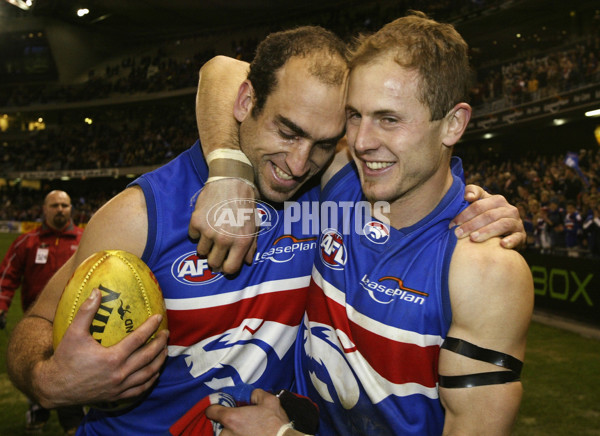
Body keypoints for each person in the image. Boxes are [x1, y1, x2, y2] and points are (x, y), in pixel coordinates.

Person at [7, 24, 523, 436]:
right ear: (245, 101)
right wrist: (47, 380)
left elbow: (413, 177)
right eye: (287, 130)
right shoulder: (144, 213)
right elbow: (222, 68)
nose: (299, 162)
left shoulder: (330, 195)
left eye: (325, 142)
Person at [200, 12, 533, 435]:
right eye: (355, 115)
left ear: (453, 124)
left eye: (389, 119)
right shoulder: (342, 177)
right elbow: (224, 71)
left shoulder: (484, 271)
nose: (361, 141)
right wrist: (227, 170)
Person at [0, 190, 85, 435]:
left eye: (65, 205)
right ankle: (37, 413)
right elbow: (7, 277)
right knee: (35, 370)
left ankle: (72, 420)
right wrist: (1, 305)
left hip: (74, 327)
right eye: (55, 205)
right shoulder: (27, 242)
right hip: (38, 325)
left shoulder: (85, 240)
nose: (60, 209)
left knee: (71, 375)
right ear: (44, 209)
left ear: (71, 209)